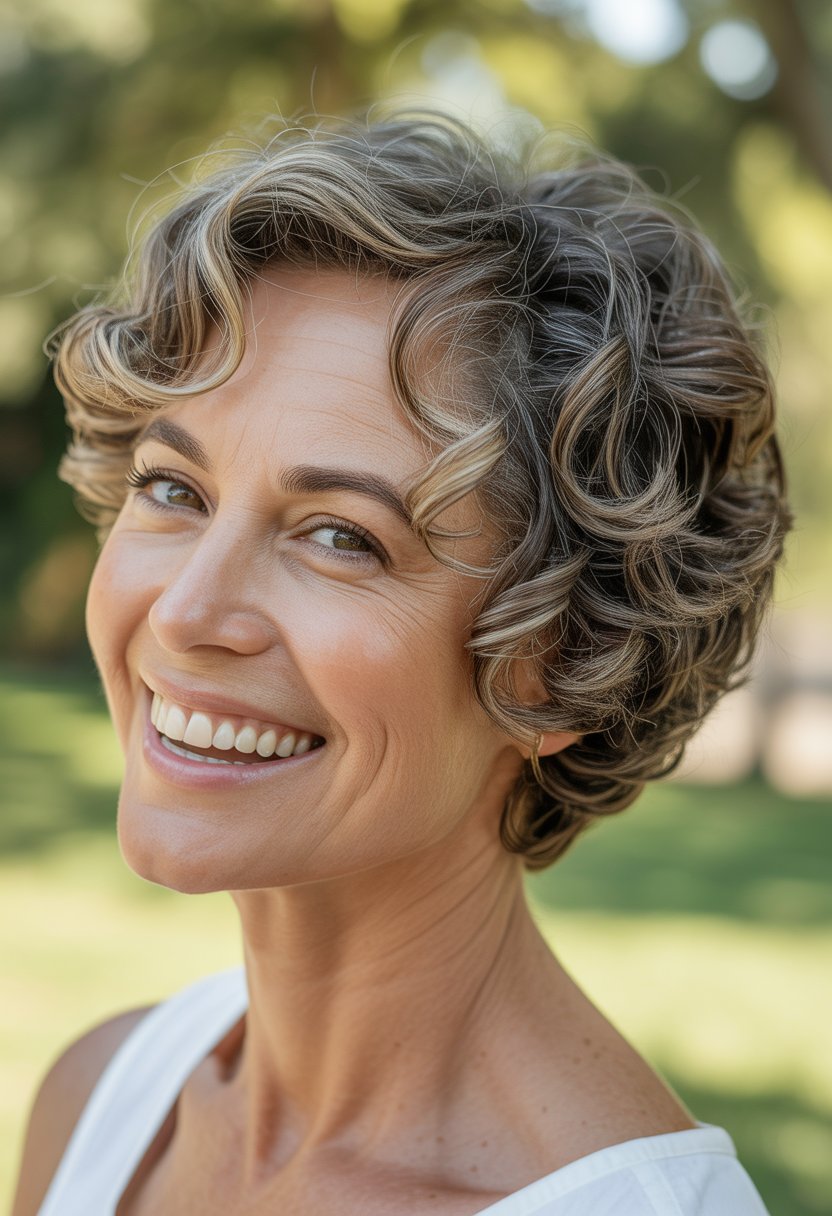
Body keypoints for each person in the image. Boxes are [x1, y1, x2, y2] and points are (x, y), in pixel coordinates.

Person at [12, 110, 788, 1216]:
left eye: (340, 535)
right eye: (174, 489)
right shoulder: (101, 1102)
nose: (186, 613)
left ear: (561, 655)